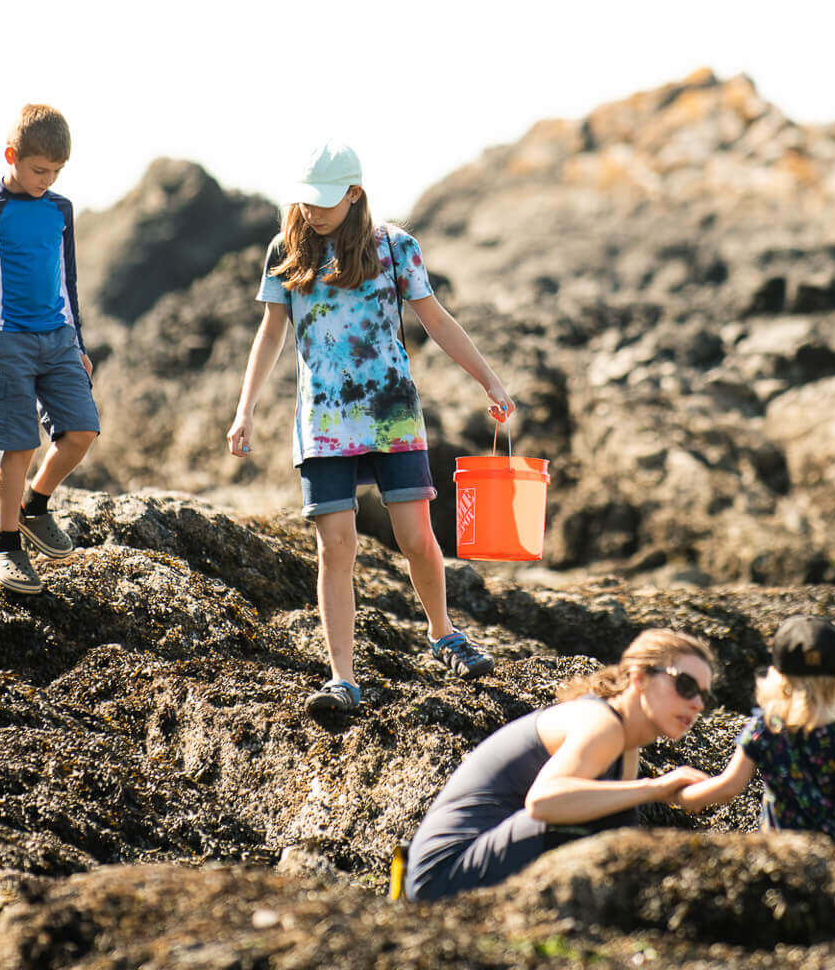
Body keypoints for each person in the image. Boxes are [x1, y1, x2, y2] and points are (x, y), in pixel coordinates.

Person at [227, 139, 513, 717]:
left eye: (326, 202)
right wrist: (246, 408)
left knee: (416, 537)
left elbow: (436, 320)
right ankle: (341, 678)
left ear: (355, 194)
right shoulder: (286, 250)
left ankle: (444, 634)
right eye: (306, 201)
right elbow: (271, 334)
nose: (313, 212)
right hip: (324, 425)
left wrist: (490, 381)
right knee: (336, 548)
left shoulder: (394, 247)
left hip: (392, 418)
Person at [403, 628, 716, 901]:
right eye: (685, 686)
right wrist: (655, 788)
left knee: (618, 825)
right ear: (640, 678)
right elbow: (544, 801)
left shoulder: (626, 745)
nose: (697, 704)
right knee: (612, 818)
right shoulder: (602, 723)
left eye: (704, 695)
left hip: (468, 862)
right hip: (442, 875)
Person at [0, 104, 99, 595]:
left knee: (81, 431)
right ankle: (6, 543)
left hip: (57, 339)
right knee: (22, 444)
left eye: (55, 172)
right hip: (4, 341)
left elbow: (67, 278)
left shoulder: (60, 209)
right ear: (12, 156)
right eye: (38, 170)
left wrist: (77, 343)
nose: (46, 179)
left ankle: (35, 506)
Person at [679, 615, 835, 879]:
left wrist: (686, 796)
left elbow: (729, 786)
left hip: (785, 861)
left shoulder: (765, 728)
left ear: (776, 677)